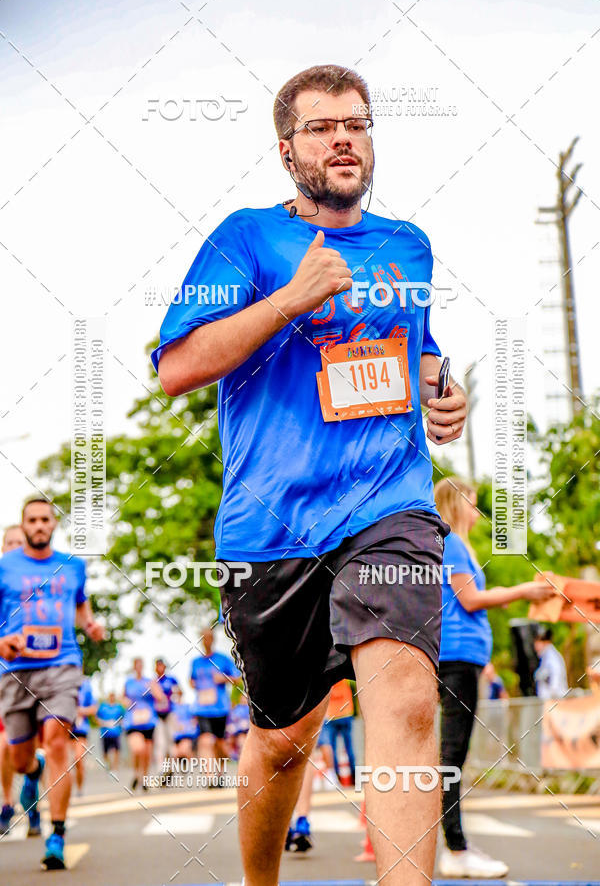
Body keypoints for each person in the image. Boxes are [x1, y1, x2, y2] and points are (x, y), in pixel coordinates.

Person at [153, 62, 469, 886]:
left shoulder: (409, 246)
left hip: (389, 505)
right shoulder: (246, 240)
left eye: (358, 124)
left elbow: (417, 349)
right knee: (285, 737)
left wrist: (442, 388)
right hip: (274, 527)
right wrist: (290, 299)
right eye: (324, 127)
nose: (344, 138)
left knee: (403, 696)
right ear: (288, 149)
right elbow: (178, 366)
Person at [434, 477, 557, 878]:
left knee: (452, 755)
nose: (477, 510)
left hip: (465, 659)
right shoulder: (451, 543)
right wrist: (522, 590)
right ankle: (455, 849)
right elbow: (468, 600)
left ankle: (454, 845)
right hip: (455, 658)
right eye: (472, 503)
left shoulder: (460, 547)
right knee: (451, 756)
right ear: (455, 504)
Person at [0, 496, 104, 869]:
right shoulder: (4, 567)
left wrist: (89, 624)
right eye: (33, 520)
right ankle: (31, 773)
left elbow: (80, 602)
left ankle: (56, 834)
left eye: (46, 519)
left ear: (54, 524)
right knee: (21, 756)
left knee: (57, 737)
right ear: (23, 524)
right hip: (15, 671)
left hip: (62, 665)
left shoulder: (72, 566)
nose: (40, 525)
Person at [0, 523, 25, 835]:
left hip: (40, 676)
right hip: (4, 676)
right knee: (4, 744)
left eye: (21, 543)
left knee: (25, 751)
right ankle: (7, 802)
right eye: (10, 544)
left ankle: (32, 781)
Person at [190, 628, 241, 782]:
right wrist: (196, 685)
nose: (206, 641)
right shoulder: (196, 662)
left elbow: (237, 679)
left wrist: (223, 678)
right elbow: (191, 681)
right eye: (203, 638)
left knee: (219, 743)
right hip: (201, 708)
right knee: (205, 740)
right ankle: (210, 777)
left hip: (220, 708)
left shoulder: (223, 659)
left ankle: (219, 774)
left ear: (213, 640)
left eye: (209, 638)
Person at [123, 658, 165, 790]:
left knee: (147, 752)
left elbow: (161, 698)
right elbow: (123, 697)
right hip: (133, 721)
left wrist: (153, 689)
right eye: (137, 665)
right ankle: (136, 773)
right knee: (137, 749)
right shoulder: (128, 682)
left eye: (141, 665)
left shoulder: (150, 682)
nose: (139, 667)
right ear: (134, 667)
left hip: (148, 722)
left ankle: (145, 778)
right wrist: (125, 702)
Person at [322, 678, 356, 786]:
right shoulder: (344, 676)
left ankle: (335, 777)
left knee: (332, 747)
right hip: (346, 712)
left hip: (331, 714)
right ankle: (354, 776)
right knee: (349, 746)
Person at [69, 677, 97, 796]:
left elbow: (94, 709)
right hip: (64, 729)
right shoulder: (62, 679)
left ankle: (79, 789)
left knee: (78, 759)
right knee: (65, 763)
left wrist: (80, 711)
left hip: (80, 729)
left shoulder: (86, 684)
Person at [153, 658, 180, 769]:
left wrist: (176, 699)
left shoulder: (171, 680)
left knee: (171, 741)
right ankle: (161, 769)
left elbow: (179, 692)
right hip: (158, 715)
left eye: (161, 665)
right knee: (160, 743)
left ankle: (171, 767)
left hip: (170, 714)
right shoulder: (153, 682)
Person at [533, 626, 568, 700]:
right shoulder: (545, 657)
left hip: (555, 701)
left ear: (546, 642)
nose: (535, 646)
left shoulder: (551, 657)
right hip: (550, 702)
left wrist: (552, 697)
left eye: (537, 642)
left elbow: (556, 679)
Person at [96, 692, 126, 771]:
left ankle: (115, 768)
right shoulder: (103, 707)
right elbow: (97, 717)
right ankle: (109, 764)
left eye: (113, 696)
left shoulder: (119, 707)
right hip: (105, 733)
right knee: (105, 753)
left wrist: (117, 723)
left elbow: (123, 718)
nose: (112, 697)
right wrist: (103, 723)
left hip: (116, 733)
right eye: (110, 696)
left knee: (116, 750)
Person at [171, 692, 198, 764]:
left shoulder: (188, 707)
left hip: (187, 735)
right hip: (176, 736)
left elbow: (194, 720)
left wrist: (187, 727)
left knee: (185, 751)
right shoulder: (172, 707)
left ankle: (189, 769)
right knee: (175, 753)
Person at [225, 693, 250, 761]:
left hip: (246, 733)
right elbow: (229, 723)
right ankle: (232, 756)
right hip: (234, 733)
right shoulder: (236, 709)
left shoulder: (251, 709)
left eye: (245, 697)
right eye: (242, 697)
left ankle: (242, 759)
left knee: (241, 740)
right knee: (227, 741)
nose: (244, 699)